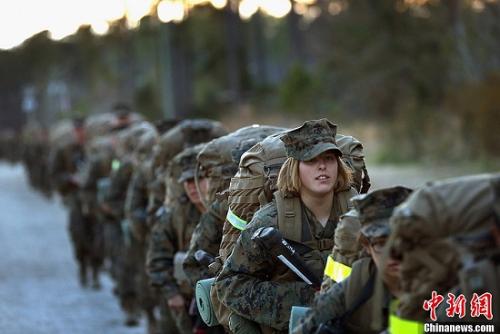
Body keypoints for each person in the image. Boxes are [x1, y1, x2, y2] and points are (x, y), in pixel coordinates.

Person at [215, 119, 357, 333]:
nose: (322, 166)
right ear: (295, 168)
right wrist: (305, 300)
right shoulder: (270, 220)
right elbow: (229, 285)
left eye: (329, 158)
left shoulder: (357, 214)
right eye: (311, 160)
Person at [291, 186, 412, 334]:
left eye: (401, 242)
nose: (393, 254)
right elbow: (314, 316)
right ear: (367, 247)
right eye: (381, 244)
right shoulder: (361, 278)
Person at [147, 144, 209, 334]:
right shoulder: (175, 215)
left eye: (198, 179)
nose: (192, 186)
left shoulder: (226, 210)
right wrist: (172, 294)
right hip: (186, 300)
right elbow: (157, 259)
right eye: (187, 181)